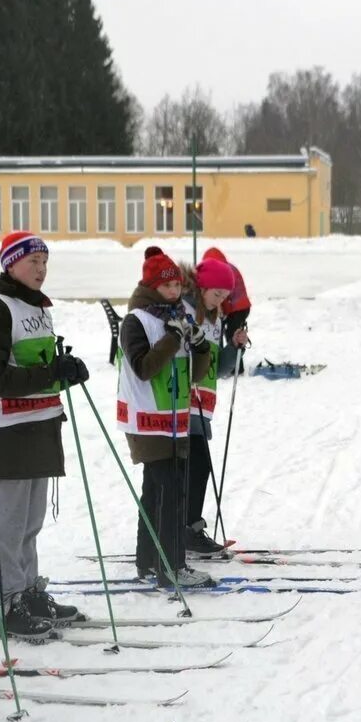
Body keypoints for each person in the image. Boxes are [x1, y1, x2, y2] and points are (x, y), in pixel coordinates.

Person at [0, 231, 91, 638]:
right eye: (32, 263)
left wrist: (64, 369)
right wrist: (50, 373)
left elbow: (38, 362)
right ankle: (4, 603)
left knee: (29, 522)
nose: (41, 270)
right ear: (10, 264)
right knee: (7, 522)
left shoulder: (35, 306)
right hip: (8, 428)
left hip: (39, 424)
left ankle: (26, 590)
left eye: (44, 262)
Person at [117, 247, 215, 587]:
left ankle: (148, 561)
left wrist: (200, 346)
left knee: (156, 490)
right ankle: (172, 566)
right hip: (146, 419)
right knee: (171, 491)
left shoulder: (177, 316)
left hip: (173, 419)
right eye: (167, 286)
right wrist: (174, 338)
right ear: (152, 287)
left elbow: (195, 373)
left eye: (177, 286)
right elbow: (144, 367)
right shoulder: (137, 320)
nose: (175, 292)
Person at [184, 257, 236, 556]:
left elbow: (219, 369)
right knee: (196, 467)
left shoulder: (215, 320)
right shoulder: (187, 312)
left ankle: (189, 528)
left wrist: (234, 348)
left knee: (199, 469)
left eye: (225, 297)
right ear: (201, 287)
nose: (220, 301)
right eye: (216, 294)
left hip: (204, 406)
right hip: (183, 405)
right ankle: (187, 529)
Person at [200, 247, 252, 377]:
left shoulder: (224, 274)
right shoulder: (222, 271)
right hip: (233, 305)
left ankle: (236, 369)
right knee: (220, 329)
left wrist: (221, 311)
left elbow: (224, 299)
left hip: (239, 307)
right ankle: (221, 358)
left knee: (231, 332)